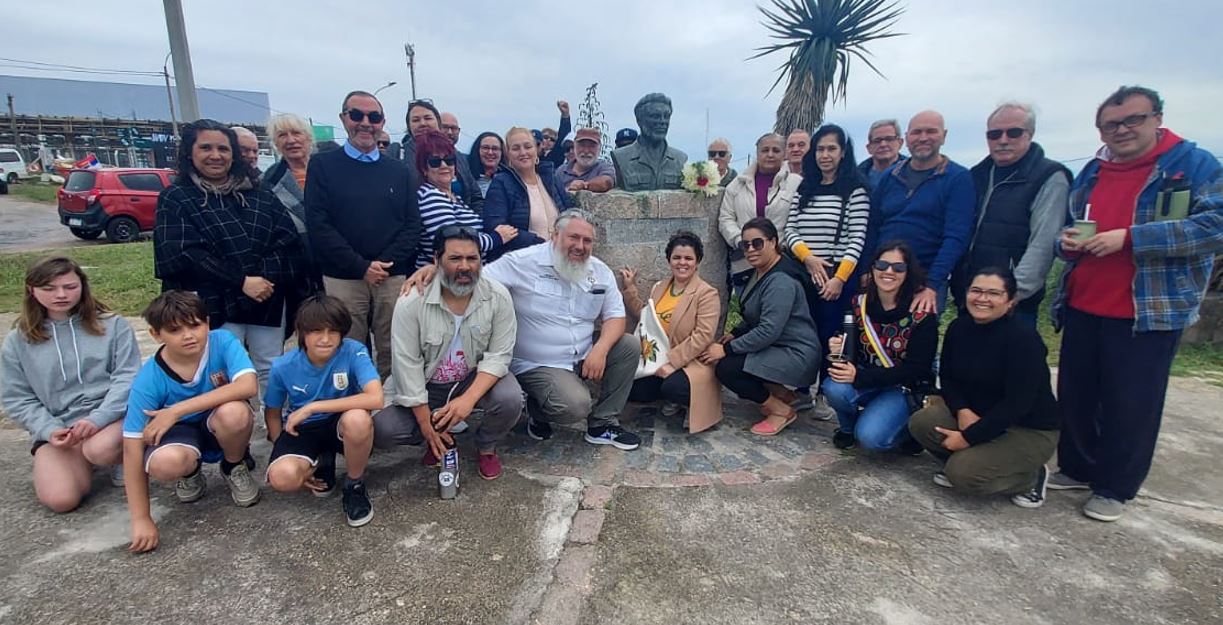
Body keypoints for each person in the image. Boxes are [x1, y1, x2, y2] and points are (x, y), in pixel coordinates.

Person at [1050, 85, 1223, 522]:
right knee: (1077, 393)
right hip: (1085, 300)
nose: (1122, 130)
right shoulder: (1093, 170)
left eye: (1133, 120)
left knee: (1132, 403)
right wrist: (1066, 244)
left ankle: (1115, 486)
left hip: (1147, 309)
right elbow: (1072, 224)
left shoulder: (1192, 166)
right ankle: (1077, 467)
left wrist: (1131, 238)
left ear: (1157, 119)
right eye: (1111, 124)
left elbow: (1215, 226)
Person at [154, 119, 302, 406]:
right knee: (219, 372)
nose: (216, 155)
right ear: (189, 152)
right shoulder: (176, 198)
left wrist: (260, 281)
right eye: (206, 148)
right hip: (211, 301)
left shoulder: (259, 193)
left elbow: (287, 242)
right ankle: (231, 430)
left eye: (223, 149)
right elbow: (183, 254)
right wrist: (241, 281)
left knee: (270, 367)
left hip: (265, 296)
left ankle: (277, 425)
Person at [467, 209, 641, 449]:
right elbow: (474, 280)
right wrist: (434, 272)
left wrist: (600, 349)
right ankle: (537, 408)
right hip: (537, 363)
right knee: (575, 406)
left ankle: (602, 423)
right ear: (555, 235)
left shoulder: (599, 271)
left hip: (582, 353)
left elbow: (615, 316)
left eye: (587, 240)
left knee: (629, 345)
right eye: (573, 237)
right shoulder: (523, 262)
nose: (580, 246)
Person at [376, 227, 524, 479]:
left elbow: (499, 356)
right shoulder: (411, 301)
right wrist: (426, 425)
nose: (465, 266)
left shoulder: (497, 295)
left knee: (510, 398)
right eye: (455, 258)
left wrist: (467, 400)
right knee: (383, 429)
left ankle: (487, 446)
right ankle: (437, 438)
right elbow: (406, 365)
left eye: (472, 258)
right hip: (426, 384)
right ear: (436, 260)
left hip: (471, 379)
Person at [122, 291, 262, 553]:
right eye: (175, 330)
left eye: (195, 325)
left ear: (207, 323)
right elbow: (131, 448)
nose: (188, 335)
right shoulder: (149, 378)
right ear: (155, 334)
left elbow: (248, 385)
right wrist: (141, 518)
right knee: (164, 463)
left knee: (235, 413)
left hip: (216, 422)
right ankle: (189, 472)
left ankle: (233, 465)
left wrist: (176, 410)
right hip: (179, 434)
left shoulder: (222, 341)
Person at [909, 268, 1058, 509]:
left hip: (1026, 428)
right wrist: (962, 410)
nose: (982, 298)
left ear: (1010, 301)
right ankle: (976, 459)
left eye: (994, 293)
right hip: (977, 415)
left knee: (963, 475)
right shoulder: (958, 328)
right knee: (922, 422)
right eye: (976, 290)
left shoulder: (1023, 339)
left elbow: (1018, 403)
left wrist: (968, 438)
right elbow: (948, 379)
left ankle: (1030, 477)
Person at [1, 256, 141, 512]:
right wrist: (47, 429)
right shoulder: (17, 341)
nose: (61, 295)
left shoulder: (113, 325)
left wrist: (98, 418)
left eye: (70, 286)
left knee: (99, 449)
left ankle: (119, 457)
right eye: (49, 288)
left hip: (111, 419)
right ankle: (80, 459)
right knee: (61, 500)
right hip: (62, 426)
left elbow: (128, 377)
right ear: (31, 290)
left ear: (82, 286)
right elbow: (17, 397)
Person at [306, 90, 422, 379]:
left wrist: (384, 265)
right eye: (357, 115)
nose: (366, 123)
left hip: (391, 276)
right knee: (347, 347)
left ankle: (391, 401)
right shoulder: (323, 166)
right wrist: (361, 266)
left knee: (395, 347)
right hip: (344, 276)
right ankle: (355, 402)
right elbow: (319, 224)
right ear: (344, 118)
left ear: (383, 121)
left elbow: (412, 224)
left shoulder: (399, 171)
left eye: (374, 117)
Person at [264, 294, 381, 527]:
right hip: (304, 429)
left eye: (333, 331)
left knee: (358, 420)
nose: (326, 339)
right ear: (301, 332)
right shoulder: (283, 365)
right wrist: (282, 449)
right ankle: (320, 462)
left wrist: (313, 407)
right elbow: (272, 412)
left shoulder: (353, 351)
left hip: (340, 422)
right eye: (317, 331)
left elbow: (376, 398)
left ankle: (354, 484)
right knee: (282, 477)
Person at [952, 103, 1070, 326]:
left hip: (1013, 302)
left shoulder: (1049, 177)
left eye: (1014, 132)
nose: (1003, 140)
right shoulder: (977, 175)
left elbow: (1043, 243)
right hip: (971, 293)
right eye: (994, 134)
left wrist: (1014, 293)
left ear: (1030, 134)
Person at [700, 218, 820, 436]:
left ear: (773, 242)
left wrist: (726, 349)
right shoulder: (760, 271)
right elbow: (754, 313)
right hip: (777, 346)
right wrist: (735, 333)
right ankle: (784, 395)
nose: (750, 250)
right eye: (745, 245)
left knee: (727, 368)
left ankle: (781, 411)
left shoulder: (781, 281)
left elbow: (768, 330)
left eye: (757, 243)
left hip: (795, 353)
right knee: (734, 357)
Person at [784, 124, 871, 418]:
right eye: (820, 149)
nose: (825, 155)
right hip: (805, 271)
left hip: (836, 275)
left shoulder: (855, 191)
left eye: (831, 148)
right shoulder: (805, 187)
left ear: (843, 152)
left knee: (832, 336)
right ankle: (801, 389)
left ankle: (825, 392)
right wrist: (808, 258)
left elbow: (857, 238)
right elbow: (790, 229)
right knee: (804, 333)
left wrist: (839, 279)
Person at [822, 243, 936, 451]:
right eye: (882, 265)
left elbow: (917, 368)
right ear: (873, 269)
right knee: (833, 387)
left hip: (901, 386)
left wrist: (860, 377)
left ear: (908, 272)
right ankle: (848, 429)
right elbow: (851, 346)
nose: (889, 271)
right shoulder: (858, 303)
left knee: (871, 438)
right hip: (868, 378)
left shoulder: (921, 313)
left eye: (898, 267)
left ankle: (908, 432)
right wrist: (838, 346)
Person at [864, 110, 976, 314]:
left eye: (931, 131)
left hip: (925, 280)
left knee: (920, 332)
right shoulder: (890, 176)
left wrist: (932, 285)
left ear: (944, 136)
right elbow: (873, 226)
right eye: (916, 132)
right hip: (884, 274)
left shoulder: (958, 178)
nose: (923, 138)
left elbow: (956, 237)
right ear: (907, 138)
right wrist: (866, 269)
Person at [619, 231, 724, 433]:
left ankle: (683, 401)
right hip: (659, 358)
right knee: (633, 390)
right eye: (677, 257)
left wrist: (673, 363)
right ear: (669, 260)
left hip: (692, 361)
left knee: (674, 388)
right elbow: (647, 317)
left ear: (697, 261)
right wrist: (630, 289)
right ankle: (666, 394)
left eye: (688, 258)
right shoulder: (660, 288)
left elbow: (703, 336)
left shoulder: (707, 293)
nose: (682, 263)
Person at [414, 129, 517, 267]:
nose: (444, 165)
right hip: (444, 275)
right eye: (435, 161)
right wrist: (497, 238)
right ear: (424, 168)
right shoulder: (430, 196)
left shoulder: (454, 198)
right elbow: (452, 243)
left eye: (449, 160)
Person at [718, 133, 801, 285]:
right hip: (745, 261)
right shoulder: (737, 185)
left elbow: (799, 222)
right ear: (757, 153)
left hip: (783, 261)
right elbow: (726, 219)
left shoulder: (797, 184)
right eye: (765, 150)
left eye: (776, 150)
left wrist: (777, 247)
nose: (770, 154)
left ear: (784, 154)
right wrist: (742, 242)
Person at [482, 126, 573, 260]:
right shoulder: (501, 183)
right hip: (522, 259)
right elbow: (496, 225)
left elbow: (569, 213)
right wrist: (538, 243)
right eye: (516, 148)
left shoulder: (551, 178)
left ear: (536, 149)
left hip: (559, 256)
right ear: (508, 154)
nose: (523, 152)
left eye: (528, 147)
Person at [263, 112, 322, 294]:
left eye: (296, 133)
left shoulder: (328, 169)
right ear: (275, 143)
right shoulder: (268, 180)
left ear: (308, 138)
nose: (291, 140)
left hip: (337, 262)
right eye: (282, 135)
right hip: (296, 269)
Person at [400, 100, 482, 213]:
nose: (422, 123)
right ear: (409, 126)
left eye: (428, 118)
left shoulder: (457, 156)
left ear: (438, 123)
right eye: (416, 120)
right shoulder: (400, 155)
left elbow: (475, 197)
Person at [612, 93, 688, 191]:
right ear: (639, 120)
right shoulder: (621, 157)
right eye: (655, 116)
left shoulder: (680, 159)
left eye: (666, 116)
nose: (662, 121)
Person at [555, 128, 616, 193]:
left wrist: (584, 186)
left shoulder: (605, 167)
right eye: (582, 145)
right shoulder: (561, 171)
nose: (586, 151)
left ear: (599, 148)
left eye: (592, 146)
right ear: (574, 146)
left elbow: (607, 182)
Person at [857, 119, 907, 189]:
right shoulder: (856, 178)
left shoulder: (912, 173)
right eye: (877, 140)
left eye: (889, 139)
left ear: (900, 143)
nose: (883, 144)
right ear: (869, 148)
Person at [468, 132, 504, 197]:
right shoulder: (466, 179)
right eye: (485, 148)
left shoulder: (509, 180)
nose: (490, 152)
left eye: (495, 149)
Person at [538, 100, 572, 167]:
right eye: (545, 137)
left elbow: (563, 136)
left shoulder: (556, 156)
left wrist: (565, 115)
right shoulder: (530, 155)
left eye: (552, 140)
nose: (548, 140)